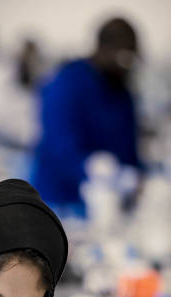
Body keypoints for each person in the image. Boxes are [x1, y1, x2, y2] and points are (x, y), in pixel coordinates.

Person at [31, 17, 143, 211]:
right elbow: (60, 149)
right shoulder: (66, 84)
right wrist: (90, 166)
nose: (126, 68)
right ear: (103, 49)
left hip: (110, 206)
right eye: (122, 59)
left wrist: (135, 178)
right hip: (62, 202)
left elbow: (129, 150)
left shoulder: (121, 92)